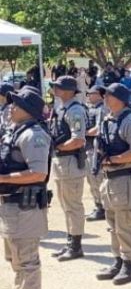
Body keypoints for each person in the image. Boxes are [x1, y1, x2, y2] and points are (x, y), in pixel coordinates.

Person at [0, 87, 50, 289]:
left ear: (28, 111)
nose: (11, 107)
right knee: (15, 259)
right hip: (10, 207)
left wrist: (5, 177)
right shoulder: (14, 131)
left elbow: (39, 173)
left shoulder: (34, 135)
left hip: (25, 208)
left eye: (16, 105)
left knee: (27, 260)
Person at [95, 83, 131, 285]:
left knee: (125, 226)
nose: (105, 98)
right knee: (113, 226)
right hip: (110, 180)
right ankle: (118, 261)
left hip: (125, 179)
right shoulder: (108, 120)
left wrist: (113, 160)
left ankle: (129, 264)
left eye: (109, 95)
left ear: (121, 99)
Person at [49, 76, 89, 262]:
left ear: (70, 91)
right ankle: (70, 241)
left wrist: (57, 147)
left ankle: (76, 245)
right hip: (62, 162)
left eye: (58, 87)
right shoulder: (61, 108)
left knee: (73, 205)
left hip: (70, 162)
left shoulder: (75, 111)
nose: (55, 90)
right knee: (66, 205)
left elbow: (78, 140)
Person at [85, 86, 107, 222]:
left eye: (91, 93)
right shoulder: (89, 108)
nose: (89, 95)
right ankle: (98, 205)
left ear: (99, 95)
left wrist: (84, 133)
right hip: (88, 147)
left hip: (95, 148)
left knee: (97, 178)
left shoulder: (101, 109)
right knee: (91, 179)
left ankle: (103, 207)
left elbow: (99, 128)